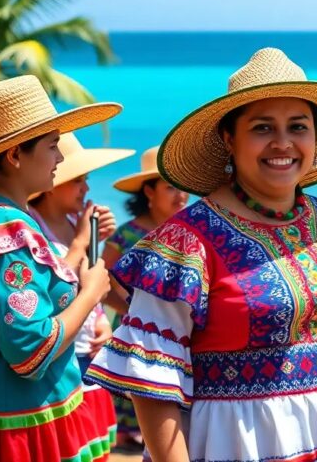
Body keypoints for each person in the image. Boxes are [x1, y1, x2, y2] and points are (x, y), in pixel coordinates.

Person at [86, 48, 317, 462]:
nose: (283, 143)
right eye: (263, 127)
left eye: (297, 126)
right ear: (230, 139)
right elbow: (151, 382)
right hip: (236, 446)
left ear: (314, 137)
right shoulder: (186, 240)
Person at [0, 76, 119, 461]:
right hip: (20, 432)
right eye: (53, 147)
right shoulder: (5, 231)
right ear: (15, 155)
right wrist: (91, 293)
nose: (61, 159)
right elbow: (30, 352)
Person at [29, 132, 133, 454]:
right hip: (61, 354)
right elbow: (49, 288)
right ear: (50, 184)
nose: (86, 188)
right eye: (78, 180)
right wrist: (79, 242)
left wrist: (101, 319)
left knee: (94, 445)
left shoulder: (76, 221)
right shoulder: (32, 226)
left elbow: (90, 281)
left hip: (89, 349)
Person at [101, 143, 189, 452]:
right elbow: (105, 280)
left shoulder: (193, 232)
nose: (181, 195)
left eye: (184, 187)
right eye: (170, 187)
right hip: (131, 321)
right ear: (149, 192)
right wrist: (132, 312)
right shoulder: (125, 236)